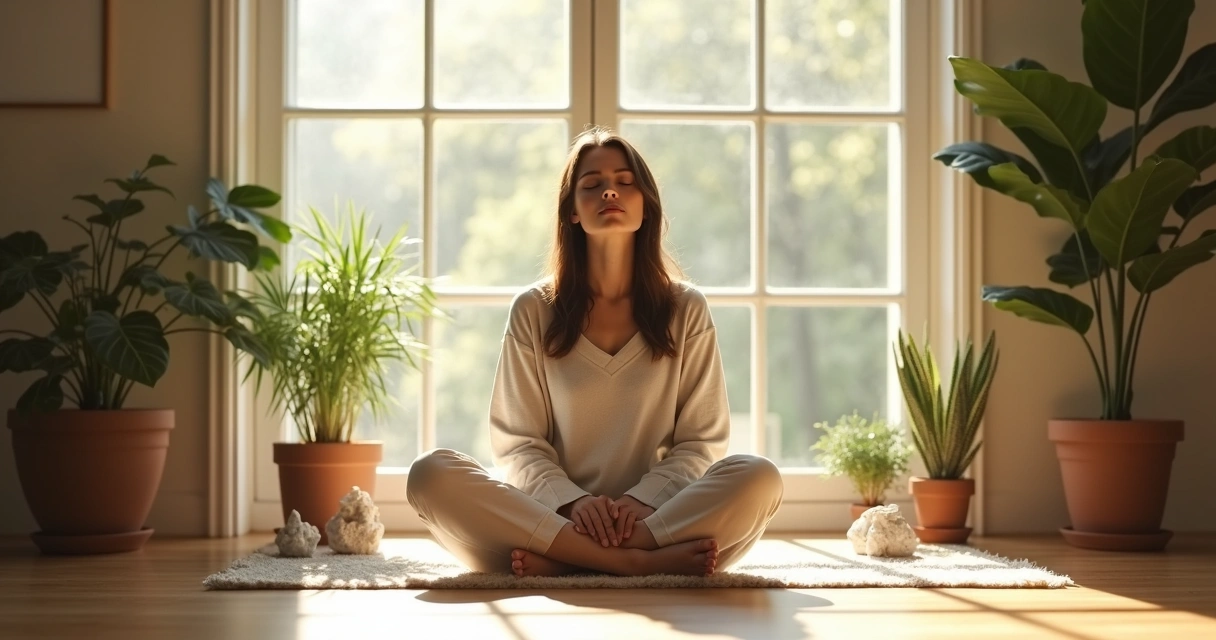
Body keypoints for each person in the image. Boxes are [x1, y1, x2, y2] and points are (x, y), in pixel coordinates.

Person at [406, 126, 784, 578]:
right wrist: (574, 503)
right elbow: (518, 443)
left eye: (625, 182)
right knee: (430, 474)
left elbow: (700, 442)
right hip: (552, 517)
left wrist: (640, 505)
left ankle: (573, 561)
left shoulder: (686, 308)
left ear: (647, 207)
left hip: (653, 518)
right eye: (592, 185)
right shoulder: (533, 309)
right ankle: (630, 562)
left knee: (759, 477)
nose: (610, 190)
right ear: (571, 212)